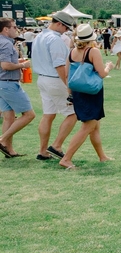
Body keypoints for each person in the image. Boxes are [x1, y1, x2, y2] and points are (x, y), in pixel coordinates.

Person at [59, 24, 114, 169]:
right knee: (88, 126)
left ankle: (102, 156)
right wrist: (109, 67)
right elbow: (102, 73)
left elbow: (67, 75)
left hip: (78, 92)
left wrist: (70, 94)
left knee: (94, 126)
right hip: (92, 92)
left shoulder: (71, 52)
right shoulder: (93, 51)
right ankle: (66, 158)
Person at [32, 11, 78, 161]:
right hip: (55, 79)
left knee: (48, 114)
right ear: (59, 24)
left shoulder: (39, 36)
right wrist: (68, 85)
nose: (66, 31)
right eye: (66, 27)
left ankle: (43, 151)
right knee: (73, 113)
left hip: (43, 79)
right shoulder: (55, 40)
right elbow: (60, 66)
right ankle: (56, 146)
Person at [0, 18, 35, 158]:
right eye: (14, 27)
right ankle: (2, 139)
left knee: (8, 116)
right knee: (29, 114)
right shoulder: (6, 44)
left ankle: (9, 150)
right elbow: (5, 65)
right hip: (8, 83)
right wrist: (22, 65)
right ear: (6, 29)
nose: (17, 29)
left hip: (3, 83)